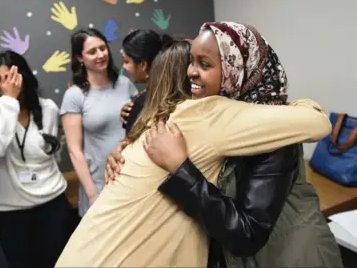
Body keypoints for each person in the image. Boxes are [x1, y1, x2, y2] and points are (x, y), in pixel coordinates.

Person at [55, 39, 332, 267]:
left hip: (288, 253)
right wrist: (129, 147)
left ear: (236, 68)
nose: (192, 72)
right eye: (191, 63)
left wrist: (180, 167)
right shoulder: (189, 119)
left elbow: (245, 232)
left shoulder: (251, 121)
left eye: (205, 63)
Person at [0, 50, 74, 268]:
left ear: (22, 76)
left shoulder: (48, 108)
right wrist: (9, 101)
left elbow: (52, 155)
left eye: (9, 77)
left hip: (53, 205)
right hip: (12, 213)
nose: (3, 85)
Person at [60, 28, 138, 217]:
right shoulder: (74, 95)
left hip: (133, 177)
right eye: (92, 51)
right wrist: (92, 194)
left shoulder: (124, 84)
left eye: (103, 48)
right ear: (80, 58)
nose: (100, 55)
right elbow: (75, 151)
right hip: (100, 184)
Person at [120, 29, 174, 134]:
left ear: (143, 65)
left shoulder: (143, 102)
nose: (124, 66)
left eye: (126, 61)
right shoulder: (171, 89)